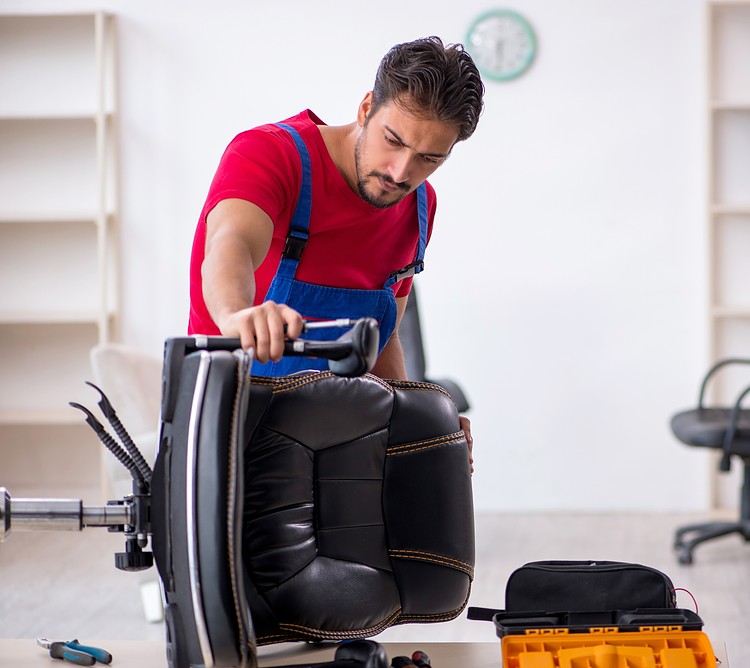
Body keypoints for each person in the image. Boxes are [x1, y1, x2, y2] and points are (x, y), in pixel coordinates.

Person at [188, 36, 484, 468]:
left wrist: (417, 421)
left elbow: (384, 341)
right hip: (233, 426)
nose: (401, 172)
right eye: (394, 140)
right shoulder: (271, 154)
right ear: (366, 108)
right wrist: (237, 314)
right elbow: (229, 242)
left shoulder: (419, 206)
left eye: (428, 158)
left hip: (342, 442)